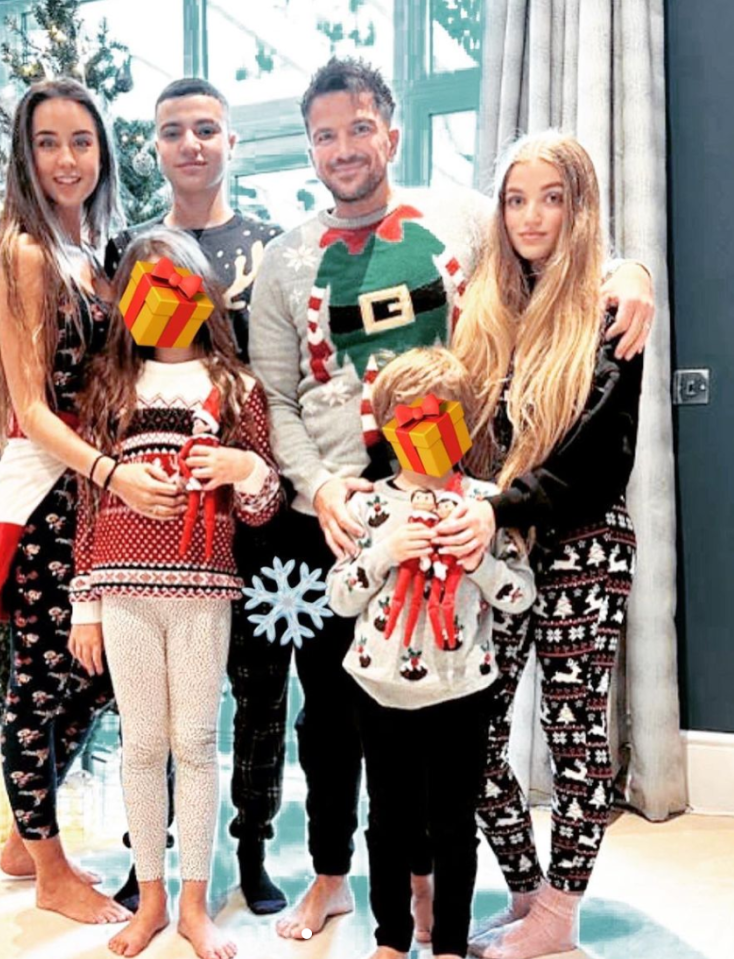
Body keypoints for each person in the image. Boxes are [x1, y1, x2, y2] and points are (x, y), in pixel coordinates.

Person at [248, 56, 654, 941]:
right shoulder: (291, 261)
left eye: (360, 128)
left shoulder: (467, 221)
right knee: (390, 719)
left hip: (500, 522)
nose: (344, 148)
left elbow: (564, 246)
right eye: (324, 134)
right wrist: (319, 488)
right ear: (307, 146)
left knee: (527, 722)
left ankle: (536, 902)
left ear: (391, 132)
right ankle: (406, 882)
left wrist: (632, 274)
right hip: (381, 516)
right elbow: (272, 396)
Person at [438, 131, 644, 959]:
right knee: (475, 735)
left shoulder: (608, 306)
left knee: (574, 732)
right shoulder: (486, 311)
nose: (530, 216)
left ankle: (562, 915)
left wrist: (501, 504)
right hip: (503, 545)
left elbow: (601, 456)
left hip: (584, 544)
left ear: (578, 205)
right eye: (515, 198)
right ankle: (529, 894)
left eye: (550, 197)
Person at [68, 227, 282, 959]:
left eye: (176, 284)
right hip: (124, 590)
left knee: (193, 743)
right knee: (141, 745)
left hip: (201, 589)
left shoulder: (235, 386)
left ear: (201, 294)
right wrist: (85, 602)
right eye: (146, 287)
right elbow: (87, 502)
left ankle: (195, 900)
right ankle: (151, 896)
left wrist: (243, 469)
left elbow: (263, 502)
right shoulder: (109, 385)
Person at [105, 77, 290, 916]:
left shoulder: (270, 244)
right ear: (155, 146)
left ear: (230, 141)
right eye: (173, 130)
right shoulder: (132, 251)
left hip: (244, 493)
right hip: (146, 528)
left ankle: (247, 848)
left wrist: (254, 470)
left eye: (206, 128)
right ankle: (148, 860)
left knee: (252, 697)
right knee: (149, 718)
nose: (190, 143)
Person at [0, 77, 160, 925]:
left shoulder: (96, 250)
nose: (65, 159)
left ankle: (25, 837)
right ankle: (49, 870)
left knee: (92, 679)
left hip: (92, 486)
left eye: (81, 141)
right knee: (41, 683)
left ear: (102, 151)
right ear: (26, 154)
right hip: (54, 485)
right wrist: (113, 472)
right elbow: (32, 407)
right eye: (48, 142)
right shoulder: (25, 254)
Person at [327, 346, 537, 959]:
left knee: (453, 825)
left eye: (437, 418)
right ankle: (391, 939)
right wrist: (384, 551)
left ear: (462, 423)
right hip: (377, 687)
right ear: (387, 425)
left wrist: (477, 562)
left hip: (461, 691)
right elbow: (340, 598)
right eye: (407, 418)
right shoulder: (366, 505)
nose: (421, 431)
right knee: (387, 822)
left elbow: (519, 595)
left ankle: (448, 943)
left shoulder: (486, 503)